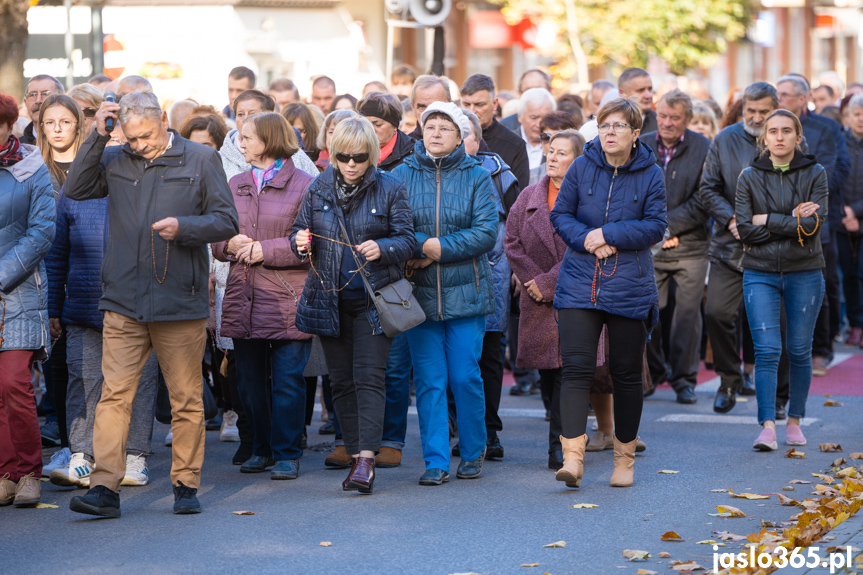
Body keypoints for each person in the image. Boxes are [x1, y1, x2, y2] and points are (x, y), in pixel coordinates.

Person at [63, 90, 239, 518]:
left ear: (163, 118)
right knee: (113, 397)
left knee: (185, 398)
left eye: (145, 135)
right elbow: (75, 188)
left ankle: (185, 484)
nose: (138, 144)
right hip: (123, 299)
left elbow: (226, 221)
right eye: (131, 137)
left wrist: (185, 227)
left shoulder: (200, 158)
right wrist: (95, 136)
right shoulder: (115, 156)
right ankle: (104, 488)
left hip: (180, 300)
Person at [291, 117, 416, 494]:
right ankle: (350, 446)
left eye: (359, 158)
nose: (349, 164)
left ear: (372, 156)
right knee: (341, 381)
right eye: (343, 157)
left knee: (368, 378)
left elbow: (408, 240)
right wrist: (301, 242)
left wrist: (385, 247)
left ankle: (365, 460)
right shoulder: (318, 187)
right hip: (330, 299)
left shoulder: (390, 187)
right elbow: (300, 234)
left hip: (373, 301)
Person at [549, 98, 666, 489]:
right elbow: (560, 215)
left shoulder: (651, 173)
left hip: (629, 284)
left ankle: (624, 459)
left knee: (626, 374)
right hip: (580, 281)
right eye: (604, 126)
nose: (610, 133)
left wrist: (609, 234)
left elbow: (655, 226)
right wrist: (586, 239)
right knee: (577, 369)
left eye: (619, 126)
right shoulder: (582, 166)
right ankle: (573, 458)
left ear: (636, 133)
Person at [44, 127, 160, 488]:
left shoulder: (151, 186)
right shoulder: (74, 193)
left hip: (142, 306)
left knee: (140, 381)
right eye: (107, 142)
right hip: (84, 305)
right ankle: (82, 454)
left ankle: (135, 455)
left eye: (123, 143)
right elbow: (56, 255)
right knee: (85, 379)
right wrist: (52, 309)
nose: (115, 149)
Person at [392, 102, 497, 486]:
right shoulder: (400, 174)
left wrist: (434, 249)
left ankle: (472, 451)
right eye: (429, 126)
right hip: (417, 297)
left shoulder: (477, 176)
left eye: (444, 127)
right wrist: (419, 246)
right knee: (430, 381)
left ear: (461, 136)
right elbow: (394, 229)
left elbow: (486, 233)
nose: (435, 133)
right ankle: (435, 460)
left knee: (464, 377)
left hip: (467, 293)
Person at [212, 113, 314, 479]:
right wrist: (227, 243)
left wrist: (263, 251)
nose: (241, 143)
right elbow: (217, 236)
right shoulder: (236, 182)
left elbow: (310, 243)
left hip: (288, 297)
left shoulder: (304, 185)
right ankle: (260, 448)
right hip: (244, 295)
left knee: (288, 380)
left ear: (269, 140)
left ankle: (287, 452)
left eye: (248, 138)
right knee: (248, 382)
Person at [736, 110, 827, 451]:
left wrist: (767, 220)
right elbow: (744, 229)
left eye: (786, 131)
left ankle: (794, 420)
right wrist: (789, 219)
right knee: (767, 350)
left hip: (805, 271)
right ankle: (767, 426)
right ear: (764, 138)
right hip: (759, 272)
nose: (779, 137)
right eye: (772, 131)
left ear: (798, 136)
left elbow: (813, 226)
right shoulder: (748, 176)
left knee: (799, 349)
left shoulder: (816, 173)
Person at [504, 129, 584, 470]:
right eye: (550, 151)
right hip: (536, 298)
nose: (552, 157)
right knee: (549, 374)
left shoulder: (587, 198)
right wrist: (531, 280)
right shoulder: (527, 196)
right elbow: (511, 241)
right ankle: (561, 439)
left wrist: (548, 281)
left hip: (575, 296)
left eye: (562, 153)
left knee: (570, 371)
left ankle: (563, 446)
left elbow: (585, 247)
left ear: (578, 160)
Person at [700, 82, 779, 414]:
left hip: (773, 245)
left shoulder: (786, 138)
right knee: (717, 312)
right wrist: (731, 218)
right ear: (742, 108)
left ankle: (775, 394)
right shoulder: (725, 138)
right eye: (751, 111)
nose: (757, 117)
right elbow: (708, 189)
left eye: (764, 112)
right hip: (728, 245)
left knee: (770, 323)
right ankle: (729, 379)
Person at [447, 109, 519, 461]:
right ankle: (457, 428)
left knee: (488, 356)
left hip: (491, 276)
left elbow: (515, 228)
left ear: (476, 139)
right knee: (451, 360)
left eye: (466, 134)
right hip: (446, 278)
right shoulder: (436, 174)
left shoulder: (499, 175)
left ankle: (489, 430)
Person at [0, 92, 55, 508]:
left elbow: (42, 232)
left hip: (19, 292)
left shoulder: (32, 169)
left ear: (9, 126)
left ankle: (30, 470)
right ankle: (6, 472)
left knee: (14, 383)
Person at [639, 89, 712, 405]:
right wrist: (654, 230)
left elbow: (706, 197)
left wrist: (668, 228)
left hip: (691, 245)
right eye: (662, 116)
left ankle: (684, 379)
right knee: (647, 311)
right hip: (649, 246)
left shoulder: (704, 147)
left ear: (688, 119)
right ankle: (654, 372)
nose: (667, 123)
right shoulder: (641, 144)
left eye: (675, 118)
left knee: (686, 316)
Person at [777, 74, 848, 379]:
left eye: (785, 95)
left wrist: (807, 201)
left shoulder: (827, 127)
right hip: (780, 219)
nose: (779, 100)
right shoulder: (773, 128)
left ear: (803, 98)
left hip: (819, 219)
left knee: (821, 283)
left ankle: (820, 349)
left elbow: (836, 168)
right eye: (777, 94)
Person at [34, 95, 88, 451]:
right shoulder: (33, 169)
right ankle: (71, 446)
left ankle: (92, 447)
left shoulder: (92, 168)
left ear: (77, 125)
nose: (57, 129)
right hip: (45, 279)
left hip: (85, 278)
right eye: (50, 122)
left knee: (86, 367)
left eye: (65, 121)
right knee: (56, 367)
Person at [460, 74, 530, 202]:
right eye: (466, 104)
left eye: (479, 105)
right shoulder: (447, 139)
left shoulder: (514, 145)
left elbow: (518, 201)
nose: (472, 110)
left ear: (494, 104)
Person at [839, 94, 863, 347]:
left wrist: (855, 211)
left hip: (856, 215)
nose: (861, 119)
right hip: (841, 220)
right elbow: (831, 180)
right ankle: (855, 324)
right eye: (857, 114)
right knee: (848, 275)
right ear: (849, 116)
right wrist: (844, 212)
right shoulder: (839, 143)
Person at [517, 89, 557, 186]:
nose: (539, 124)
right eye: (534, 117)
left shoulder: (560, 143)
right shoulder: (508, 142)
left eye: (545, 118)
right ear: (520, 117)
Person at [21, 75, 65, 145]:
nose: (38, 100)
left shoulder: (77, 146)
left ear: (63, 101)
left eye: (45, 94)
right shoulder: (17, 149)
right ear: (26, 103)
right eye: (33, 95)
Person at [536, 111, 579, 181]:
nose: (552, 142)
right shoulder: (531, 177)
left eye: (558, 137)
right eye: (546, 137)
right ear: (541, 142)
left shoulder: (585, 178)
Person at [408, 75, 452, 140]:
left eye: (436, 106)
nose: (428, 113)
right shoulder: (404, 147)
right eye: (422, 107)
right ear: (413, 108)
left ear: (450, 106)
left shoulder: (463, 142)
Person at [618, 68, 657, 134]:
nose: (648, 95)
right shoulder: (610, 123)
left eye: (650, 89)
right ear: (622, 93)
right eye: (640, 90)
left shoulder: (660, 122)